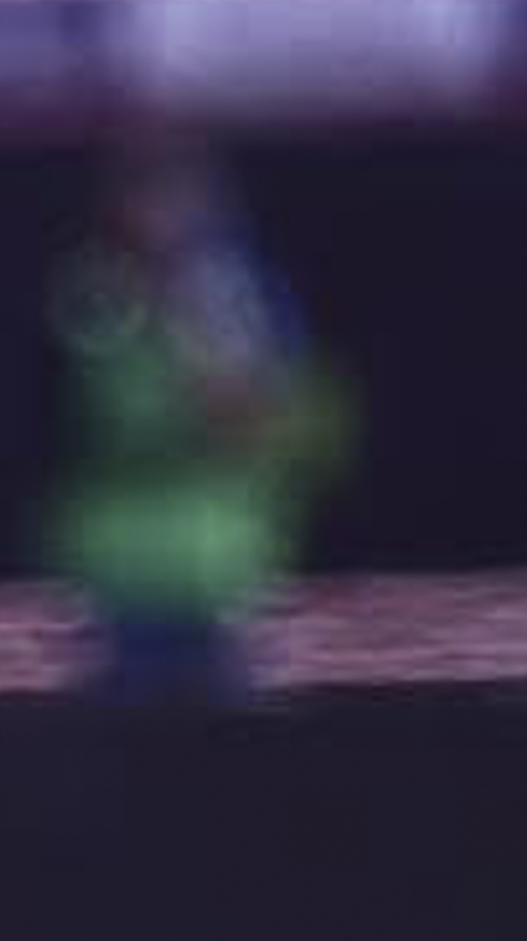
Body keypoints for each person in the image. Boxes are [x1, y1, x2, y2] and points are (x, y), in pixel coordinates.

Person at [47, 136, 349, 701]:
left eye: (175, 198)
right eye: (145, 196)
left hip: (226, 582)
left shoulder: (241, 293)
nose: (161, 216)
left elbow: (266, 425)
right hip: (120, 591)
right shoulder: (96, 292)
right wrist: (166, 317)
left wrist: (205, 328)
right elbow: (107, 412)